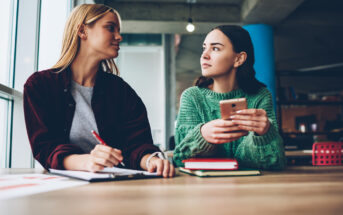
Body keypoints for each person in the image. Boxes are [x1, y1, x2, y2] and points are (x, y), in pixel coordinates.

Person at [24, 4, 174, 178]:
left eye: (118, 30)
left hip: (113, 186)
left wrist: (151, 160)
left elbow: (137, 145)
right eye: (110, 28)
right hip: (59, 185)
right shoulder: (40, 86)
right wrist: (87, 161)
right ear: (82, 31)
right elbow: (45, 148)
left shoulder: (121, 92)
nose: (119, 36)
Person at [173, 25, 286, 170]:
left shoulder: (260, 96)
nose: (204, 55)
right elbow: (179, 159)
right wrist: (202, 136)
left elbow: (276, 163)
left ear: (239, 59)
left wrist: (264, 135)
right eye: (204, 48)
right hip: (203, 188)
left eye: (215, 48)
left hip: (252, 187)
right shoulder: (192, 97)